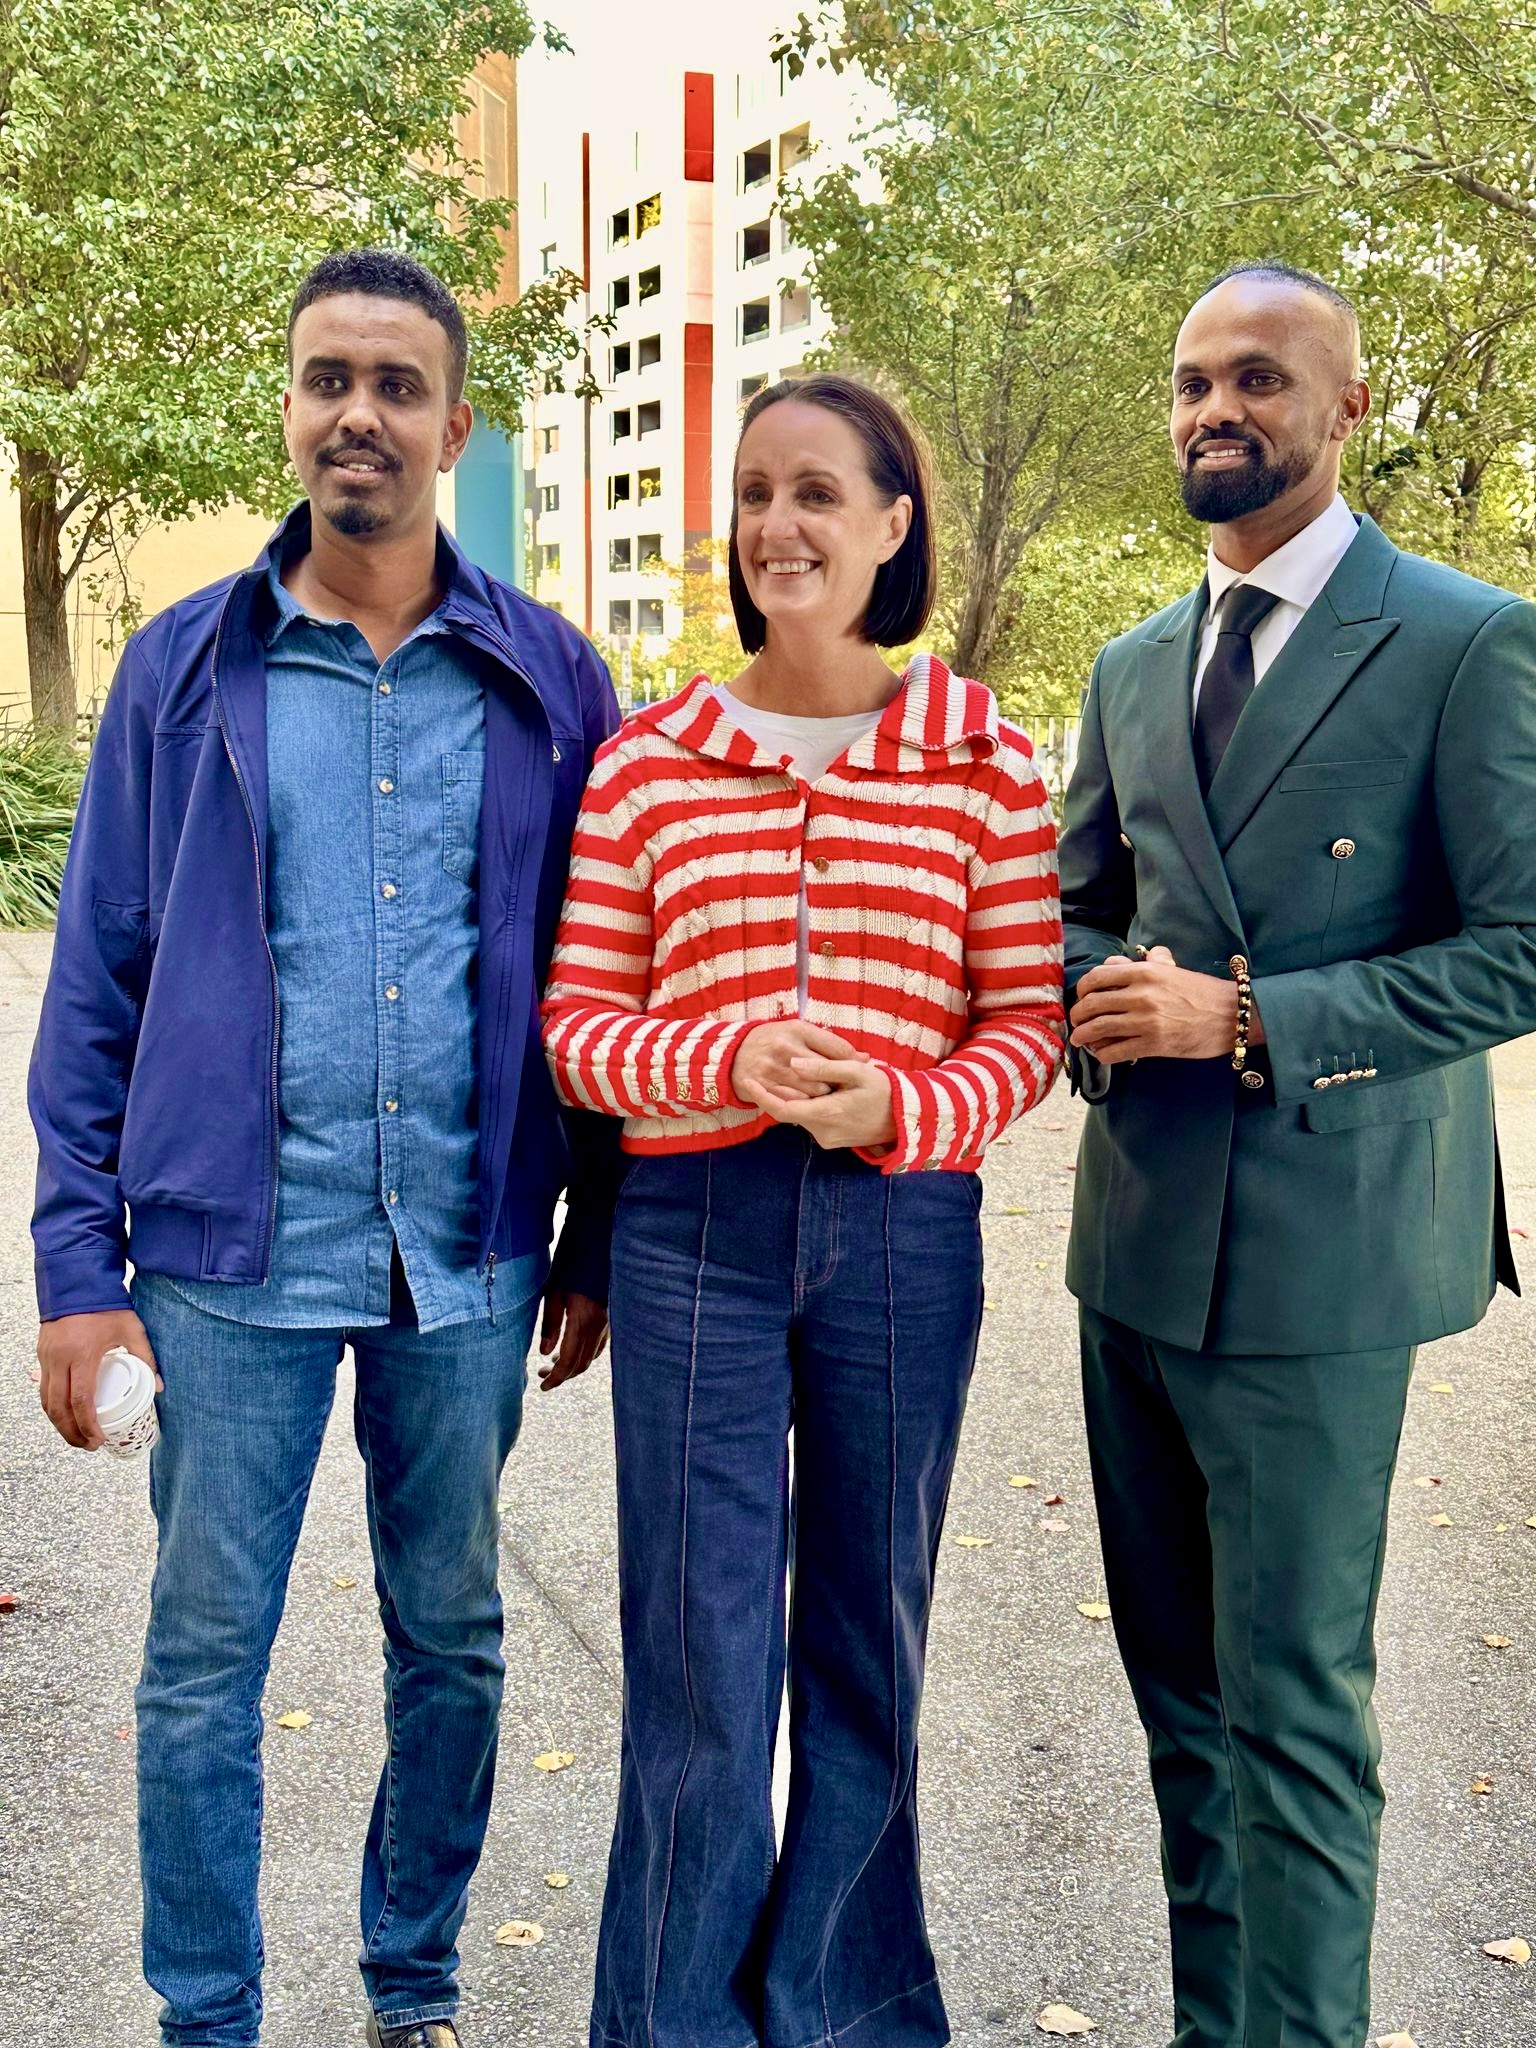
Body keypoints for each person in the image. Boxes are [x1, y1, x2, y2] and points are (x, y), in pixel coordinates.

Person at [29, 248, 621, 2048]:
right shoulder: (182, 668)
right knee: (203, 1658)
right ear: (292, 408)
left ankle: (411, 1986)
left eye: (395, 383)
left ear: (454, 425)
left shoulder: (551, 677)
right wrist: (75, 1272)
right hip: (227, 1260)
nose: (358, 413)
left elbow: (605, 961)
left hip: (467, 1248)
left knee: (453, 1639)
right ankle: (206, 2018)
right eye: (327, 379)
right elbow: (98, 980)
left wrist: (592, 1233)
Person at [540, 372, 1064, 2048]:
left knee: (866, 1643)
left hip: (903, 1236)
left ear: (894, 523)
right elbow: (577, 1028)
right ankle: (670, 2019)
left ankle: (846, 2008)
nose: (780, 524)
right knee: (697, 1660)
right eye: (757, 492)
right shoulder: (648, 766)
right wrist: (727, 1053)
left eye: (819, 492)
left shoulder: (983, 759)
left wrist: (904, 1105)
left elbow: (1027, 1025)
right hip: (694, 1231)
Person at [1059, 260, 1536, 2048]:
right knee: (1182, 1713)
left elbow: (1522, 947)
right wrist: (1095, 984)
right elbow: (1070, 905)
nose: (1217, 408)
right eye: (1195, 380)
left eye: (1260, 377)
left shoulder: (1467, 639)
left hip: (1323, 1263)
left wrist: (1250, 1019)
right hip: (1134, 1250)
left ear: (1346, 406)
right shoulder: (1130, 664)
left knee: (1295, 1717)